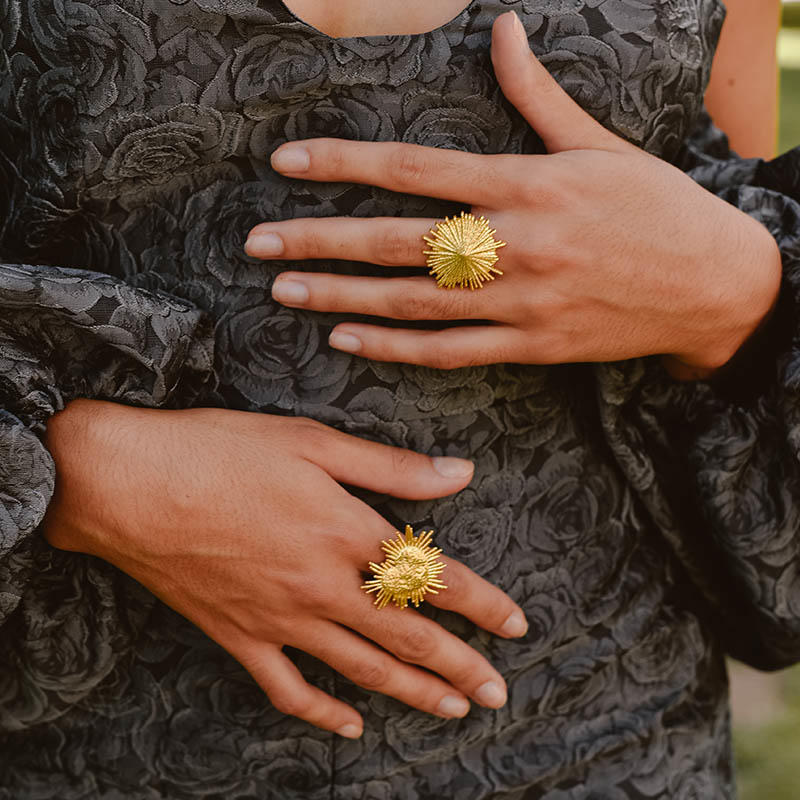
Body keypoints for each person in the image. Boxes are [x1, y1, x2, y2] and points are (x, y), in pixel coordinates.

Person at [0, 0, 798, 797]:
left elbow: (722, 198)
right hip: (108, 749)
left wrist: (737, 287)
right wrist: (88, 471)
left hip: (611, 730)